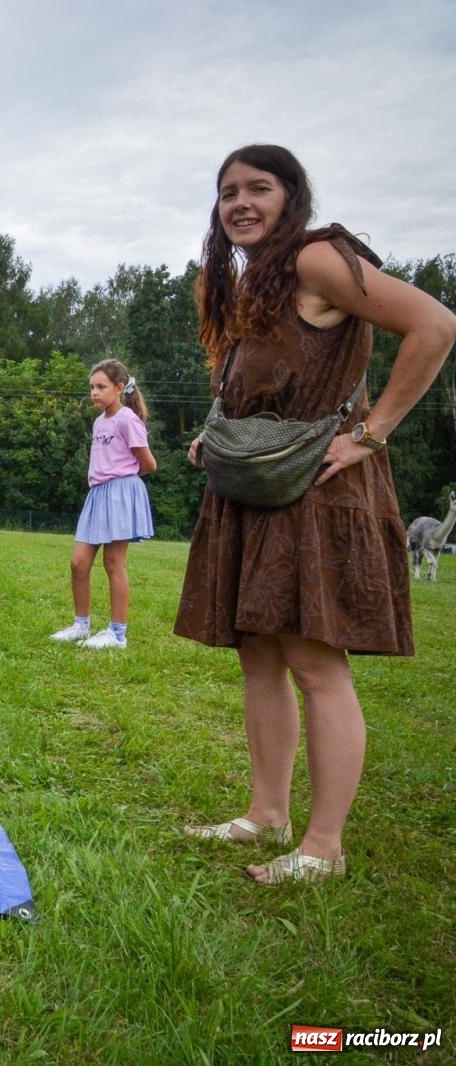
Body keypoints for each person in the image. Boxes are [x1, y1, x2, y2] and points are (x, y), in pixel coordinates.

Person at [176, 145, 455, 884]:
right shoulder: (256, 280)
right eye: (228, 191)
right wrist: (221, 429)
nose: (240, 202)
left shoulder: (318, 258)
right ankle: (266, 813)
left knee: (313, 661)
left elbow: (435, 325)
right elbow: (268, 377)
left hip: (317, 488)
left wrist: (372, 434)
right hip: (262, 487)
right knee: (259, 652)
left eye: (258, 188)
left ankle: (323, 847)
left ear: (290, 195)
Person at [49, 359, 157, 650]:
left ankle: (117, 634)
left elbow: (148, 464)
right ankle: (81, 626)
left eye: (101, 387)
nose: (94, 393)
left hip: (120, 493)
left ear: (119, 388)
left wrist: (123, 480)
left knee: (113, 563)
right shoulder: (99, 422)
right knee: (79, 562)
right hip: (97, 495)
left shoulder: (127, 419)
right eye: (92, 387)